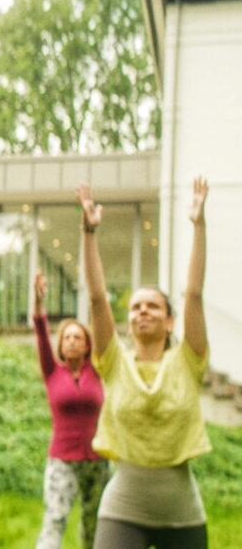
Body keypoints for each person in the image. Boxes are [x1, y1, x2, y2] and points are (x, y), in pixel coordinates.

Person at [79, 178, 211, 549]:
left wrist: (199, 226)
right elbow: (96, 300)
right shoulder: (114, 362)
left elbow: (195, 296)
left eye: (152, 305)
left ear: (170, 321)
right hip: (123, 508)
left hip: (182, 511)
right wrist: (88, 233)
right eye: (136, 306)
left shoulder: (189, 361)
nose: (142, 312)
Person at [33, 271, 108, 549]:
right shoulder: (52, 371)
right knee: (55, 519)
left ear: (88, 345)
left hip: (97, 460)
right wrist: (38, 302)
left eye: (79, 337)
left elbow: (103, 330)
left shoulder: (97, 370)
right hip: (62, 460)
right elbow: (41, 332)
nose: (73, 341)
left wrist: (97, 299)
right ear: (61, 346)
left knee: (93, 524)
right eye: (67, 338)